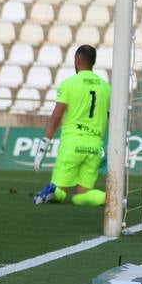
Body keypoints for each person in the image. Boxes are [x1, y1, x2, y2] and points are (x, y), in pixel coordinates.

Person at [32, 45, 111, 208]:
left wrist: (43, 146)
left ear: (77, 60)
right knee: (82, 195)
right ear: (93, 62)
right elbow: (109, 116)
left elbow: (56, 116)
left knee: (60, 191)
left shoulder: (69, 84)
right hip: (94, 146)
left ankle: (52, 192)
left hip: (72, 143)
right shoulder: (106, 87)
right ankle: (111, 198)